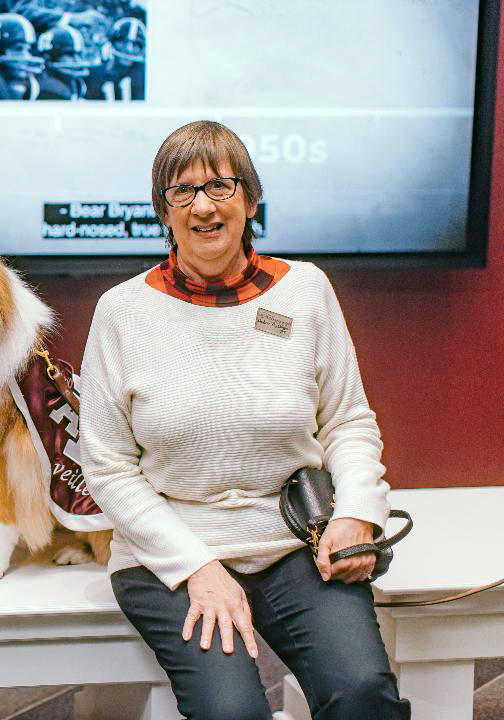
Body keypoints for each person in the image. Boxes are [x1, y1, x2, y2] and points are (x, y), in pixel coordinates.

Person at [79, 120, 410, 719]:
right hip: (171, 555)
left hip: (293, 541)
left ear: (251, 200)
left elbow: (347, 423)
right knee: (233, 714)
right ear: (163, 210)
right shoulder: (122, 312)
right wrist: (198, 567)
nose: (203, 206)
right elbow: (106, 467)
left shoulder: (305, 291)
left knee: (362, 695)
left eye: (221, 186)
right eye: (182, 191)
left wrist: (358, 513)